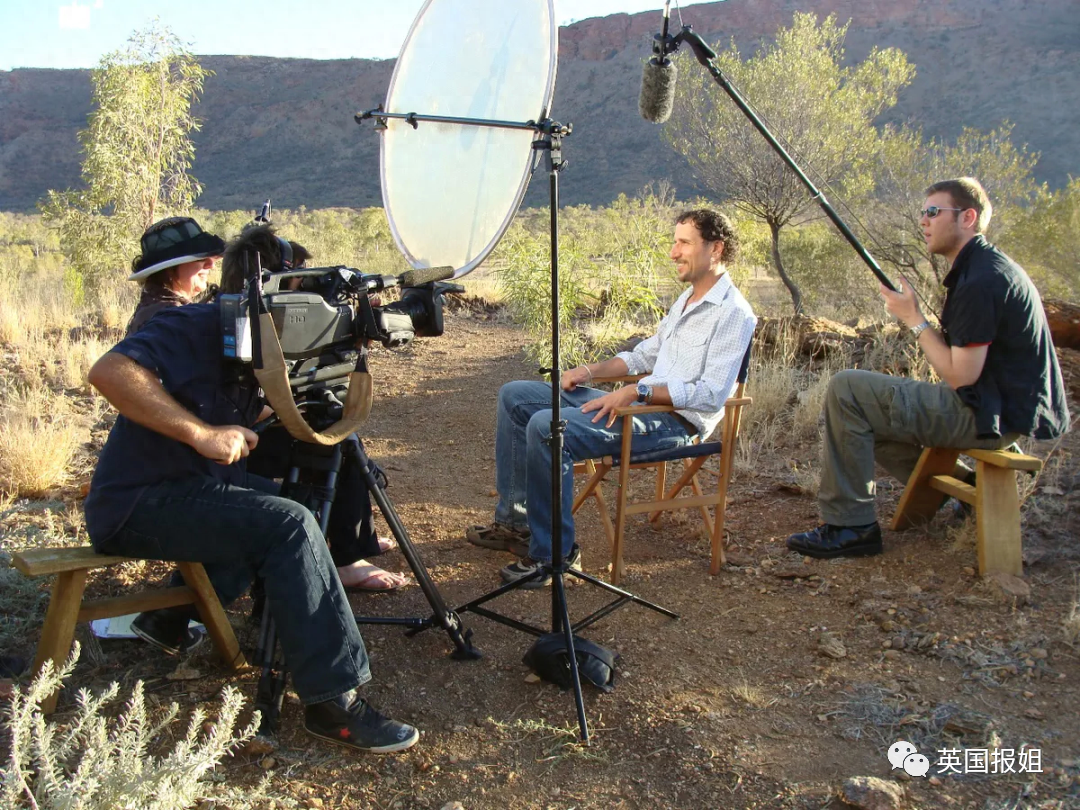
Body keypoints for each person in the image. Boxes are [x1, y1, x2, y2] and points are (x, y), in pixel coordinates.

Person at [84, 222, 419, 752]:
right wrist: (202, 435)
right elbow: (109, 371)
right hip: (139, 505)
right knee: (287, 524)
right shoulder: (197, 323)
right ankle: (334, 703)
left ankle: (217, 622)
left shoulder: (253, 344)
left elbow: (250, 405)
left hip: (192, 494)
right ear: (278, 291)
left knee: (302, 485)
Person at [467, 208, 757, 587]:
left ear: (716, 249)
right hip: (640, 405)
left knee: (545, 426)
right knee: (515, 395)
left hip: (674, 421)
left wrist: (638, 390)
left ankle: (556, 556)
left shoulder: (734, 313)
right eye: (675, 241)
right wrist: (587, 372)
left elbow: (711, 394)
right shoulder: (686, 299)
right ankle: (516, 526)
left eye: (684, 242)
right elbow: (642, 356)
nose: (673, 252)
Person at [786, 177, 1070, 559]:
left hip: (988, 416)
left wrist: (914, 320)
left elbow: (961, 375)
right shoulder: (984, 268)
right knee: (863, 413)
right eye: (924, 212)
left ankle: (850, 527)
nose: (924, 221)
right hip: (998, 410)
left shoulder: (982, 280)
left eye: (934, 212)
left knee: (846, 388)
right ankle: (961, 490)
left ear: (968, 217)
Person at [126, 216, 225, 335]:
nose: (211, 265)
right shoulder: (172, 318)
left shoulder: (154, 308)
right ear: (168, 269)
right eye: (201, 258)